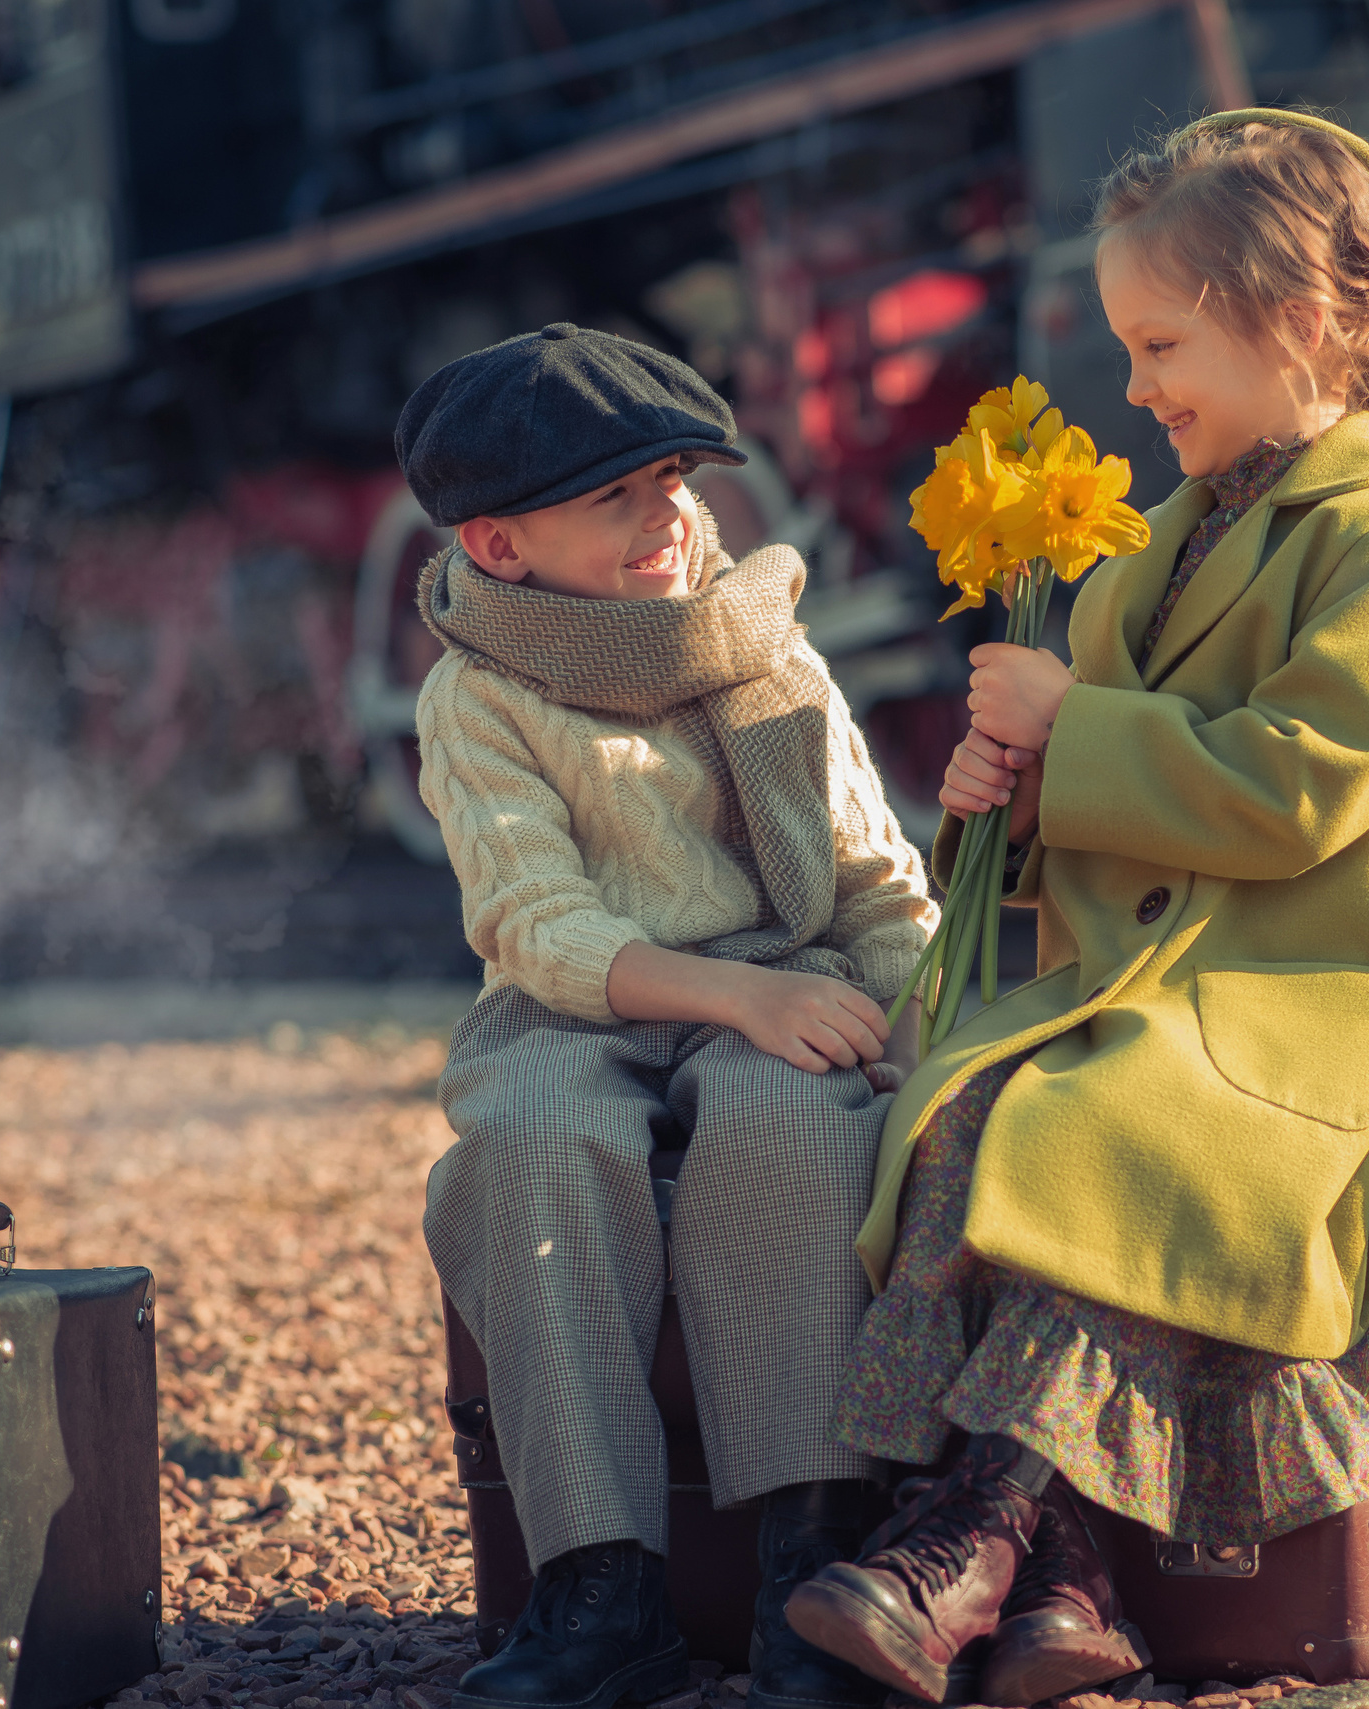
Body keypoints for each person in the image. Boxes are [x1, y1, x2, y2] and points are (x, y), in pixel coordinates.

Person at [785, 110, 1369, 1707]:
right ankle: (1066, 1596)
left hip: (1301, 991)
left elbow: (1294, 788)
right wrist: (1013, 791)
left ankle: (967, 1547)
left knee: (1103, 1131)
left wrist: (1079, 731)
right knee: (960, 1112)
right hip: (1150, 980)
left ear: (1308, 323)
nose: (1133, 388)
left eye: (1161, 344)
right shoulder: (1140, 567)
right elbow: (1103, 823)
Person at [401, 324, 936, 1709]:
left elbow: (875, 885)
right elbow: (540, 926)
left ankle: (808, 1561)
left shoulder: (760, 647)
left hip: (780, 981)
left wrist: (926, 1040)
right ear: (503, 548)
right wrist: (732, 991)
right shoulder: (480, 692)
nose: (669, 514)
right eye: (616, 498)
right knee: (534, 1148)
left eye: (677, 478)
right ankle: (596, 1583)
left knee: (786, 1120)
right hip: (580, 1009)